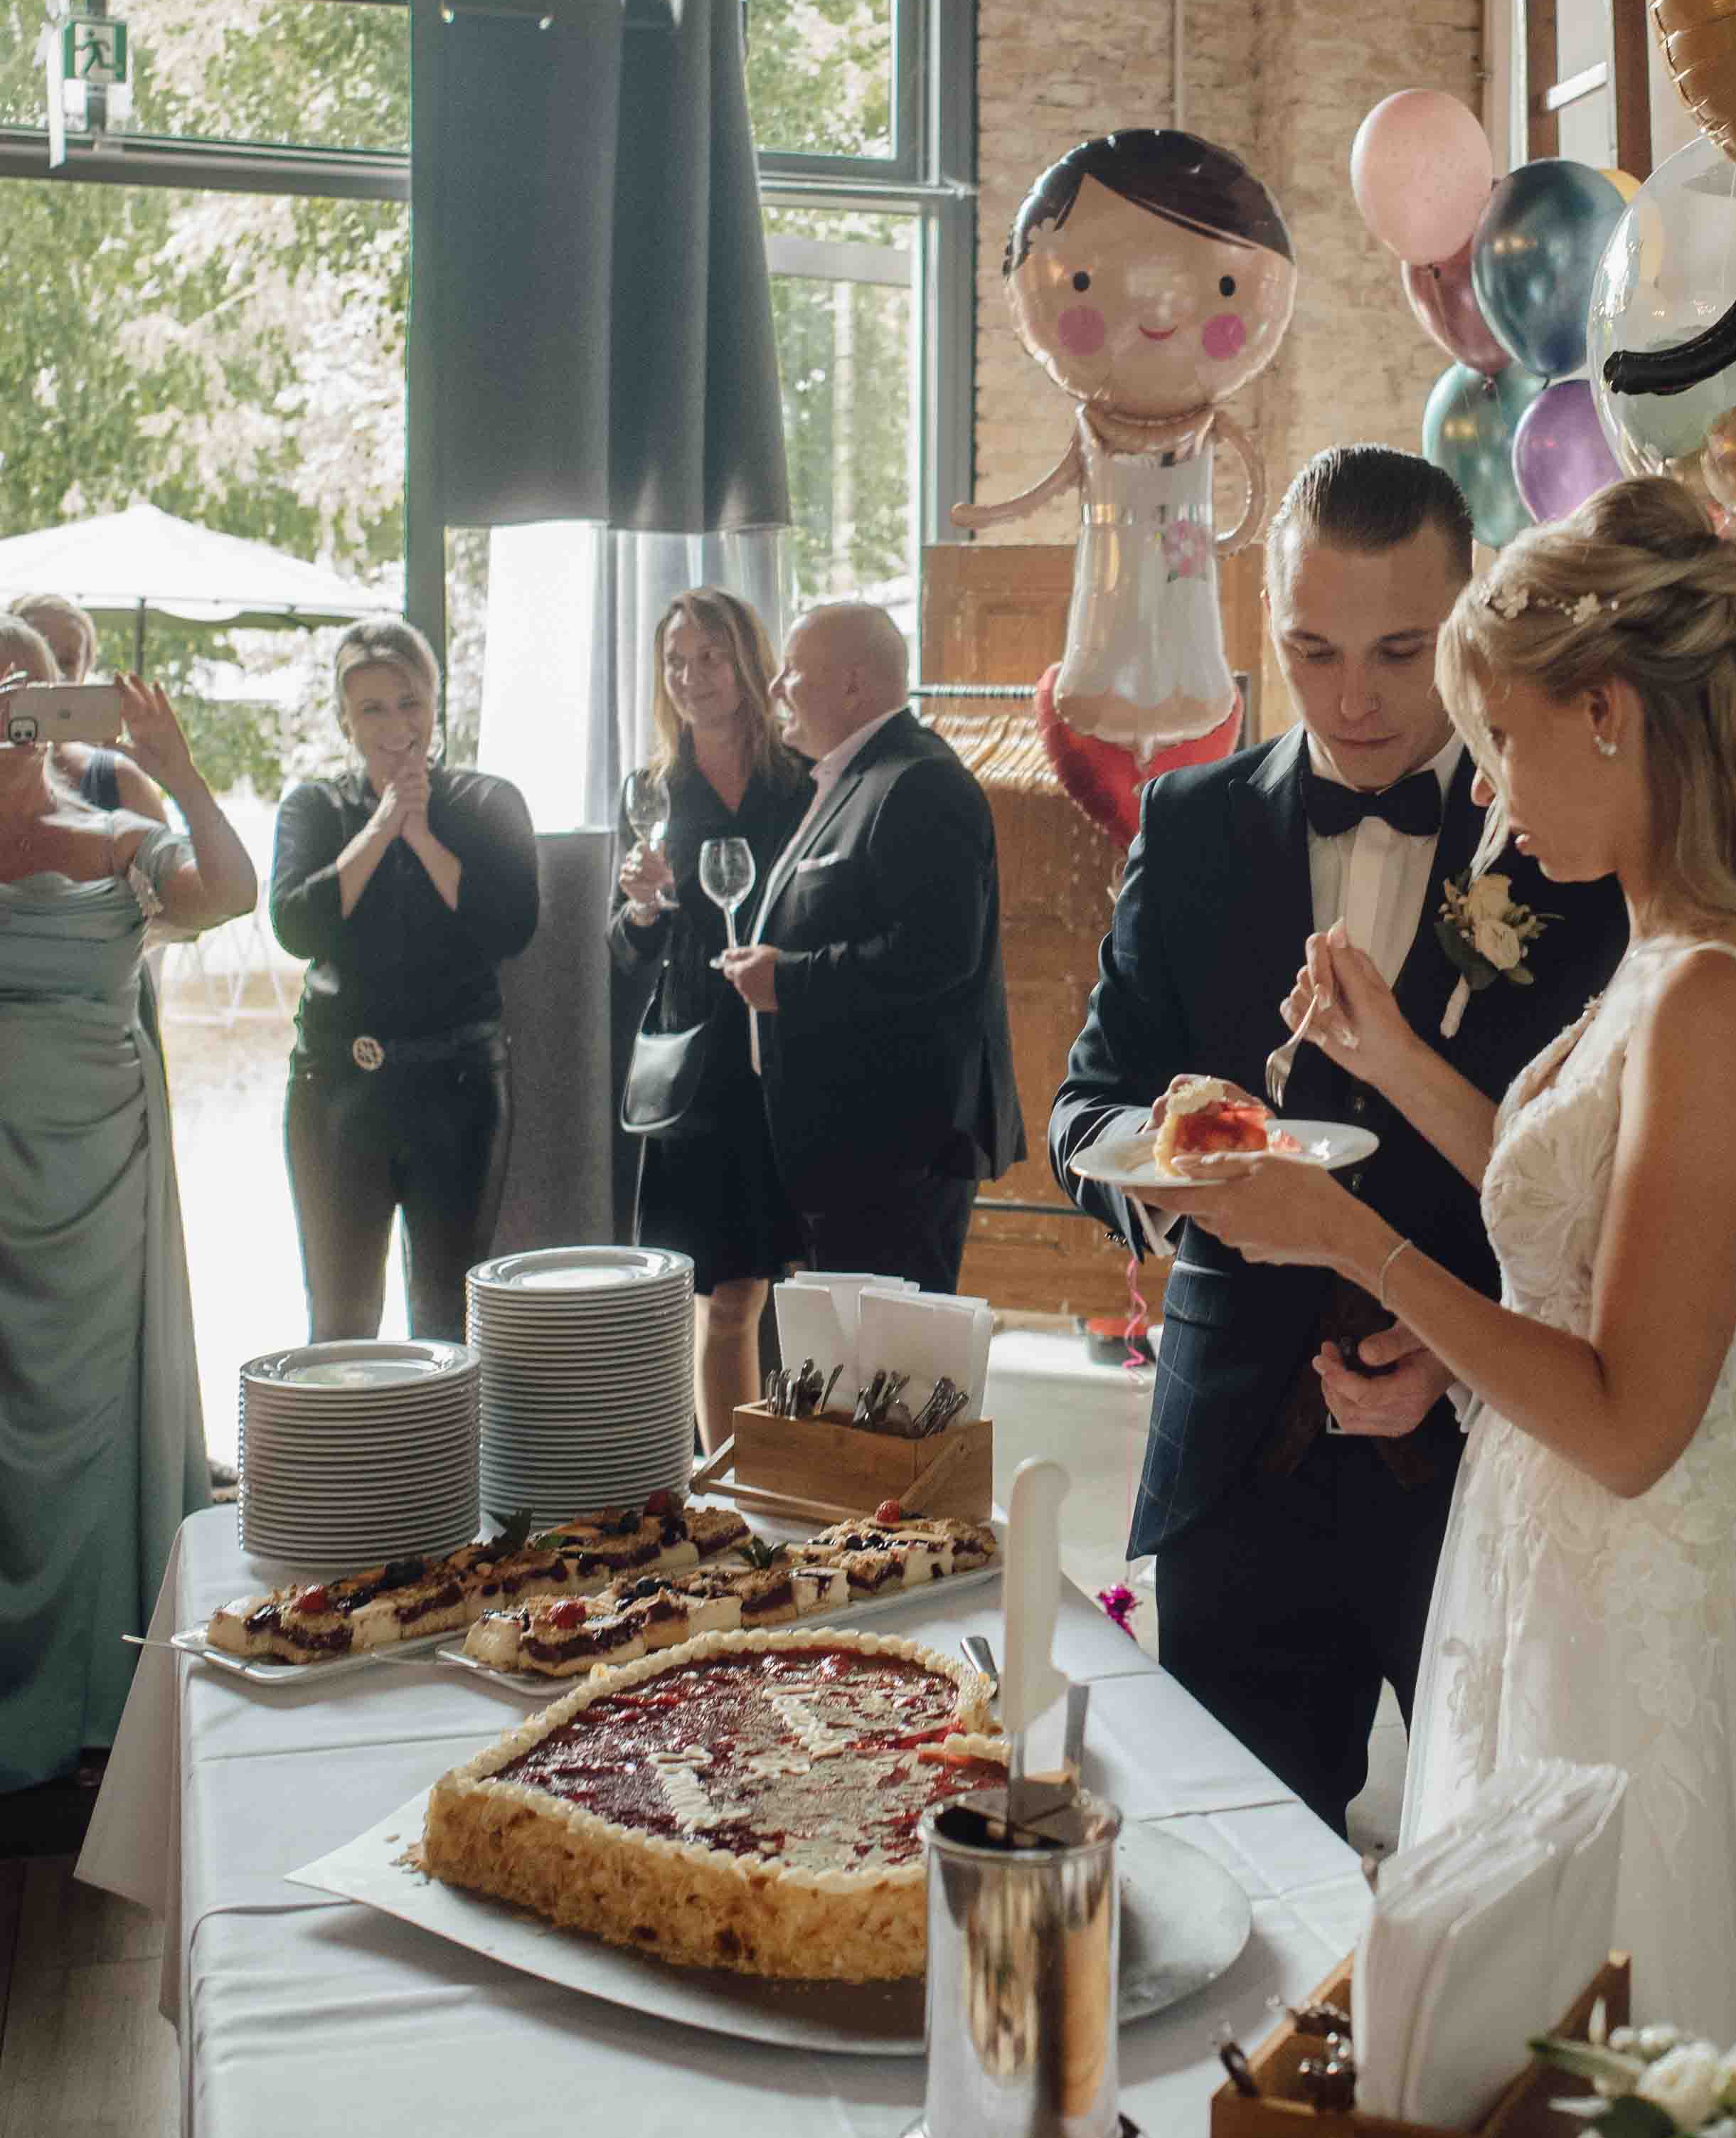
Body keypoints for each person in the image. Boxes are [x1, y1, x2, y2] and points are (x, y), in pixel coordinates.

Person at [1138, 473, 1736, 2052]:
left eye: (1502, 737)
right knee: (1531, 2044)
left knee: (1613, 2039)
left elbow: (1634, 1416)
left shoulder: (1711, 988)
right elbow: (1587, 1222)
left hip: (1635, 1589)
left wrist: (1351, 1233)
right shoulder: (1677, 943)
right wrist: (1400, 1058)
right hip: (1554, 1551)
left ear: (1612, 712)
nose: (1491, 795)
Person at [1051, 446, 1630, 1838]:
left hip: (1478, 1467)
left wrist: (1463, 1344)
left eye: (1398, 649)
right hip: (1232, 1456)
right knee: (1235, 1885)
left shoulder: (1562, 838)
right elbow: (1088, 1106)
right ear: (1267, 624)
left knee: (1498, 1875)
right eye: (1311, 649)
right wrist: (1169, 1179)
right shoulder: (1190, 827)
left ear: (1473, 609)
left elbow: (1604, 1177)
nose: (1354, 696)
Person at [0, 623, 255, 1794]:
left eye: (24, 684)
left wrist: (179, 761)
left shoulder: (112, 833)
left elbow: (234, 891)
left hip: (94, 1175)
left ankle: (98, 1696)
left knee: (93, 1423)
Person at [715, 598, 1021, 1291]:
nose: (773, 690)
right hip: (850, 1151)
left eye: (791, 671)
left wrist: (784, 981)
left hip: (896, 1156)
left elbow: (938, 955)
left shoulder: (919, 781)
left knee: (889, 1381)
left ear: (853, 685)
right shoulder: (854, 777)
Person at [270, 618, 540, 1345]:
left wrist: (420, 834)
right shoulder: (314, 807)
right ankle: (344, 1461)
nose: (396, 726)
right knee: (340, 1316)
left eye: (409, 702)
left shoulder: (488, 802)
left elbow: (510, 928)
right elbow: (297, 926)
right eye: (373, 709)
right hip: (336, 1087)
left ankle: (444, 1462)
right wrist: (382, 826)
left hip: (458, 1084)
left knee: (447, 1316)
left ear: (436, 704)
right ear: (345, 722)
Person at [612, 586, 811, 1444]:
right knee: (726, 1295)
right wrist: (645, 908)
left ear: (747, 662)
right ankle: (731, 1486)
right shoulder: (653, 789)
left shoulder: (801, 776)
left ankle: (798, 1475)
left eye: (710, 656)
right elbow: (625, 948)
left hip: (793, 1047)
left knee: (795, 1284)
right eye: (677, 661)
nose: (692, 675)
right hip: (700, 1061)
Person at [10, 590, 169, 822]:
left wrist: (180, 781)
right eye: (38, 651)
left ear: (85, 670)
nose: (52, 672)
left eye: (66, 662)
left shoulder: (116, 780)